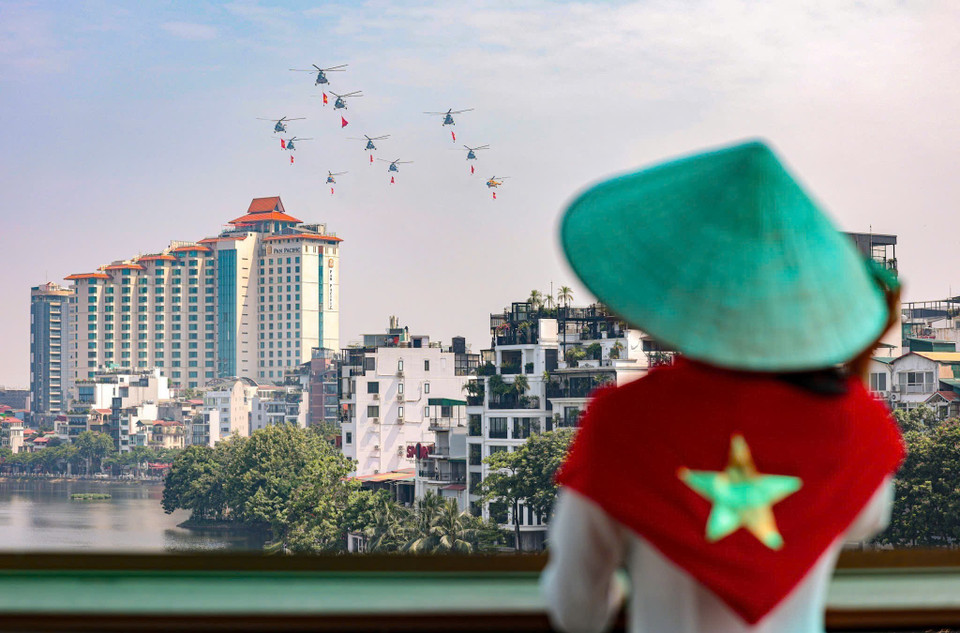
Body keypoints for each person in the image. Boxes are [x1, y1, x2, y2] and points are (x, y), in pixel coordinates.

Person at [540, 140, 905, 633]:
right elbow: (863, 520)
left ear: (680, 290)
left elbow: (577, 611)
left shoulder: (624, 420)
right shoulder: (857, 424)